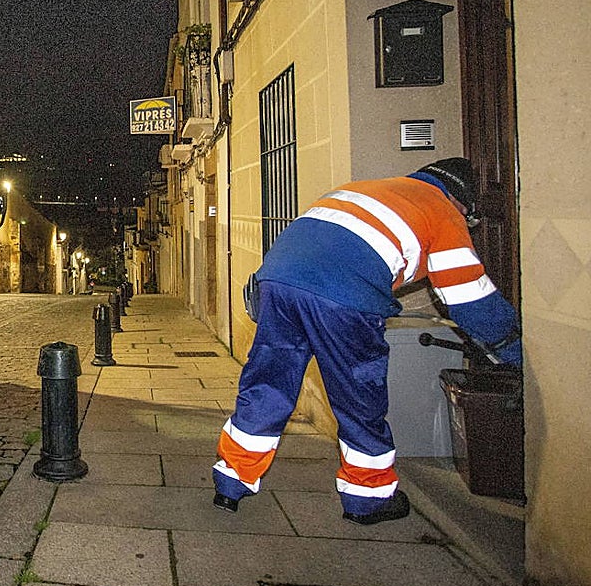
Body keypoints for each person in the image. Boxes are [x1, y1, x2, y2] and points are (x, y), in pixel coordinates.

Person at [212, 157, 520, 524]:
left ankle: (231, 481)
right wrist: (516, 351)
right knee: (358, 398)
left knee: (268, 384)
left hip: (277, 282)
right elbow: (472, 302)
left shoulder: (367, 189)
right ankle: (367, 498)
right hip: (344, 297)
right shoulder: (442, 211)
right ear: (461, 200)